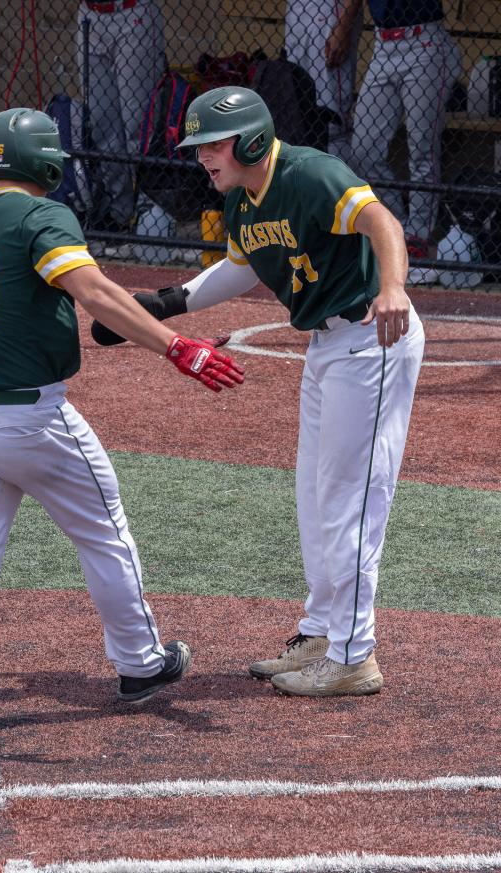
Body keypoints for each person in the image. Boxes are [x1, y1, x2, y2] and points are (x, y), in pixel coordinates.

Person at [0, 107, 245, 753]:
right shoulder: (42, 215)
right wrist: (176, 345)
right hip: (26, 415)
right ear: (42, 161)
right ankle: (139, 661)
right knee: (104, 530)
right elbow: (92, 290)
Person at [91, 86, 425, 698]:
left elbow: (382, 220)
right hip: (329, 346)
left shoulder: (310, 173)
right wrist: (167, 304)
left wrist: (395, 287)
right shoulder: (245, 201)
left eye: (211, 144)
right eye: (196, 147)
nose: (200, 158)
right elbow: (242, 268)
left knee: (352, 498)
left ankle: (355, 654)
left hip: (371, 336)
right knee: (316, 495)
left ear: (248, 139)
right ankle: (323, 632)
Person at [348, 0, 462, 284]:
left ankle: (418, 238)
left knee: (422, 150)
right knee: (362, 151)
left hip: (424, 42)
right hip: (383, 46)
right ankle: (396, 227)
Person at [76, 0, 165, 232]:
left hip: (132, 12)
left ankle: (149, 215)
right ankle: (119, 212)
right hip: (90, 15)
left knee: (138, 123)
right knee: (100, 122)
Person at [284, 0, 362, 161]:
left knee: (333, 117)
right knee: (299, 108)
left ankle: (338, 182)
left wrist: (343, 25)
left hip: (330, 10)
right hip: (296, 10)